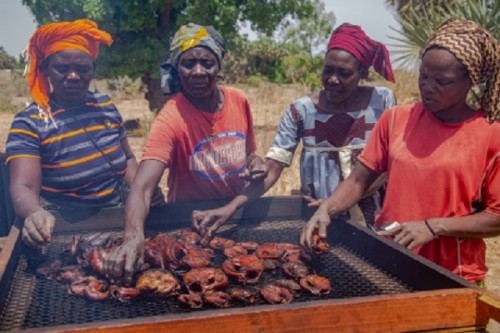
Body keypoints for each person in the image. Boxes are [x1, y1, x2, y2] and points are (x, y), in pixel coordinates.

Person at [301, 19, 500, 284]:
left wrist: (434, 227)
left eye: (442, 81)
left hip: (453, 277)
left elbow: (496, 218)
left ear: (470, 81)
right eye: (424, 76)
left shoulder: (490, 134)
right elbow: (360, 180)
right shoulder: (396, 119)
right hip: (390, 265)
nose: (427, 86)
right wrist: (327, 208)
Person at [191, 23, 396, 238]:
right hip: (318, 221)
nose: (333, 79)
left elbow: (388, 164)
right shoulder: (301, 111)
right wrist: (231, 207)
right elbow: (273, 167)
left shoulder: (381, 102)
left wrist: (336, 202)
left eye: (344, 73)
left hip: (374, 220)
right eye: (328, 70)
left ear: (362, 73)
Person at [103, 23, 266, 282]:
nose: (198, 72)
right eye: (188, 63)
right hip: (192, 224)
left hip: (235, 214)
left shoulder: (238, 100)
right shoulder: (171, 117)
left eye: (207, 63)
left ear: (219, 65)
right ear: (177, 68)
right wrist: (133, 237)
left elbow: (249, 154)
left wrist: (256, 162)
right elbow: (143, 186)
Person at [5, 19, 159, 248]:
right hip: (64, 228)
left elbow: (126, 158)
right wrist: (34, 213)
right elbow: (24, 186)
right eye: (63, 68)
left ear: (93, 70)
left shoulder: (105, 106)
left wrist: (144, 192)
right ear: (46, 68)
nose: (74, 76)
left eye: (83, 68)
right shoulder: (29, 122)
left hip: (118, 215)